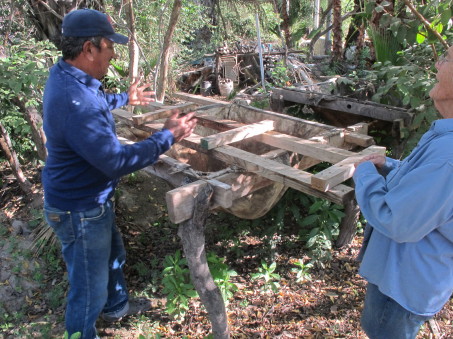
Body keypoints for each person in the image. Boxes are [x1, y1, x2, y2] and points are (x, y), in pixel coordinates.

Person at [42, 8, 197, 339]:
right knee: (88, 292)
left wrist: (124, 98)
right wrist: (167, 136)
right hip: (79, 209)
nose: (114, 53)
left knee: (114, 256)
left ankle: (117, 307)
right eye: (110, 45)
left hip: (91, 200)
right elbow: (115, 161)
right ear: (89, 48)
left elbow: (95, 101)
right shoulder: (75, 101)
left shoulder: (71, 77)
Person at [353, 45, 453, 339]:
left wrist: (365, 175)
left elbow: (398, 220)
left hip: (403, 286)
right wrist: (391, 166)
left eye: (446, 58)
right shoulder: (445, 140)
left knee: (381, 330)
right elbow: (430, 193)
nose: (437, 64)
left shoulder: (448, 156)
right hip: (416, 276)